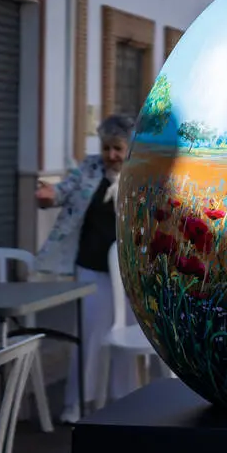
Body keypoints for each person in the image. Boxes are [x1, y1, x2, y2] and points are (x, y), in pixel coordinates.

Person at [35, 114, 140, 423]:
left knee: (127, 338)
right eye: (107, 148)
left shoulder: (138, 173)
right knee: (89, 335)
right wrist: (48, 196)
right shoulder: (89, 169)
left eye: (118, 149)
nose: (112, 156)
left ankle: (126, 401)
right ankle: (78, 404)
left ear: (128, 147)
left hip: (128, 272)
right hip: (91, 267)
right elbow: (64, 190)